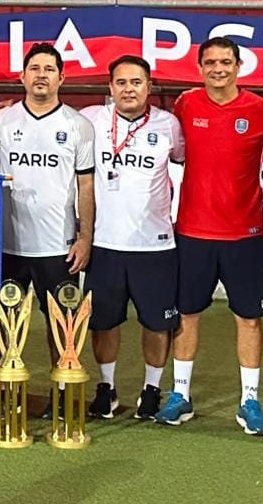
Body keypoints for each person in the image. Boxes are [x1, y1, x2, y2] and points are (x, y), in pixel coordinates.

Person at [158, 36, 263, 436]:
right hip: (193, 232)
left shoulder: (259, 110)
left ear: (239, 66)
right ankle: (180, 395)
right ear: (200, 68)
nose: (218, 68)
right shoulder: (186, 105)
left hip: (246, 235)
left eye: (226, 61)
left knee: (249, 319)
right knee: (187, 315)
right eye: (210, 62)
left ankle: (249, 401)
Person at [79, 55, 185, 421]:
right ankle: (106, 388)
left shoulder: (169, 125)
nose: (128, 89)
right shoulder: (90, 119)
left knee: (157, 323)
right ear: (110, 88)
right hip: (104, 244)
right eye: (121, 82)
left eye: (136, 82)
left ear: (149, 87)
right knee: (103, 322)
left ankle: (152, 389)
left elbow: (188, 160)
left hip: (154, 246)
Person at [0, 42, 95, 380]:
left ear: (62, 78)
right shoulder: (2, 120)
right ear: (22, 76)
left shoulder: (78, 125)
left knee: (62, 323)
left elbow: (86, 187)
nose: (41, 76)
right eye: (35, 69)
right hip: (8, 244)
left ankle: (63, 390)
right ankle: (9, 391)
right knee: (6, 322)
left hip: (57, 246)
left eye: (49, 70)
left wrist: (85, 237)